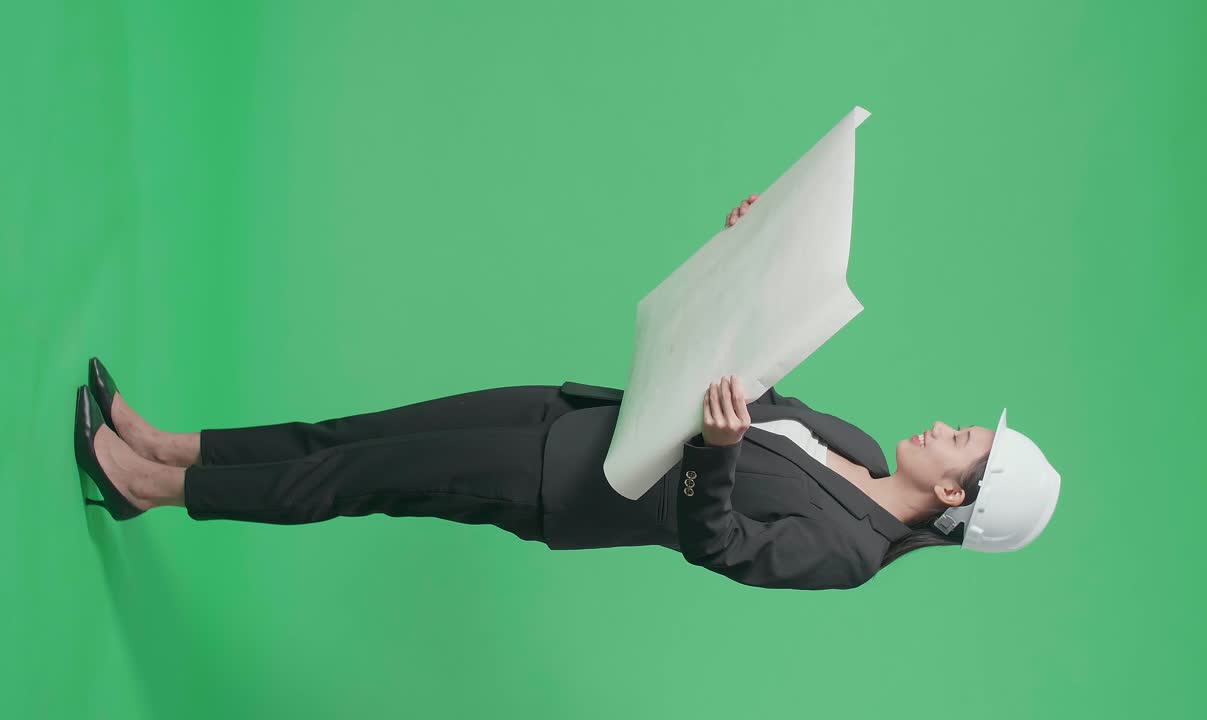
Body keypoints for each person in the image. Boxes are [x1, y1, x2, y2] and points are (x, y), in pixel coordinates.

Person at [74, 195, 1062, 591]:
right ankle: (165, 444)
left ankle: (144, 488)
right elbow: (750, 378)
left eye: (960, 440)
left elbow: (714, 544)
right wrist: (747, 251)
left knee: (357, 477)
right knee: (352, 433)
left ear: (951, 496)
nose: (941, 426)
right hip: (577, 414)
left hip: (563, 486)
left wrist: (714, 456)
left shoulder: (845, 553)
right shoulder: (850, 442)